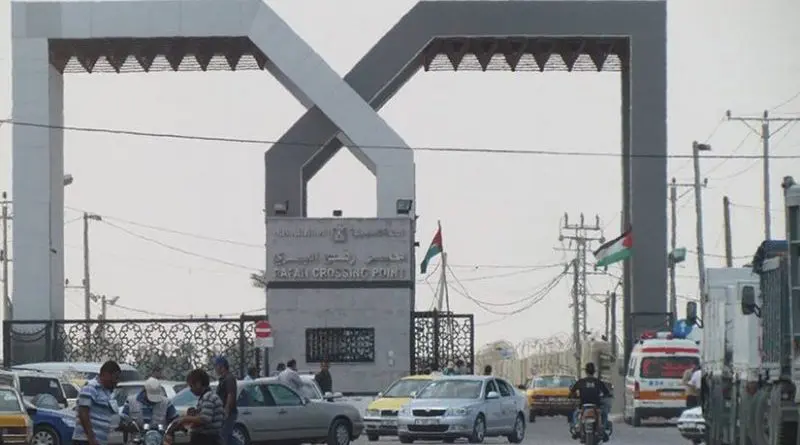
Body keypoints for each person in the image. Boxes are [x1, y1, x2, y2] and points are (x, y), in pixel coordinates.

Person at [72, 360, 122, 445]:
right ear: (106, 374)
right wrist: (91, 438)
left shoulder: (107, 393)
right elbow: (83, 413)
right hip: (85, 440)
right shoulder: (91, 387)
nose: (116, 381)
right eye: (115, 377)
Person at [174, 369, 224, 445]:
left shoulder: (208, 397)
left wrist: (185, 418)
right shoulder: (205, 397)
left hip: (207, 439)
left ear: (198, 384)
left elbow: (204, 419)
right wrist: (195, 414)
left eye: (191, 386)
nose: (190, 390)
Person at [568, 362, 611, 440]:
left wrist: (572, 396)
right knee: (604, 414)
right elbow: (607, 393)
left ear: (586, 371)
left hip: (583, 406)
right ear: (594, 371)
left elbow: (572, 392)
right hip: (596, 406)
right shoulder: (598, 382)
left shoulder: (580, 382)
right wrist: (606, 396)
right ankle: (603, 430)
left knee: (575, 414)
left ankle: (576, 428)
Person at [213, 357, 239, 445]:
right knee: (227, 437)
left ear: (222, 367)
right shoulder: (224, 379)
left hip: (228, 413)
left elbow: (230, 394)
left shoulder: (229, 378)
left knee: (223, 436)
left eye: (216, 366)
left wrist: (226, 410)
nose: (215, 368)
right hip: (224, 412)